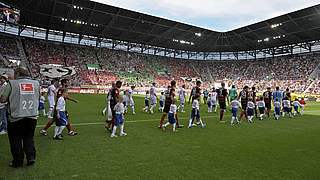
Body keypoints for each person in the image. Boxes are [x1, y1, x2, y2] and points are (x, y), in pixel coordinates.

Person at [0, 67, 40, 167]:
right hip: (32, 116)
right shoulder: (36, 83)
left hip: (16, 117)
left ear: (17, 74)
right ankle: (31, 157)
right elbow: (38, 97)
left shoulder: (12, 83)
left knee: (15, 139)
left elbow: (3, 99)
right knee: (29, 138)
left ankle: (18, 161)